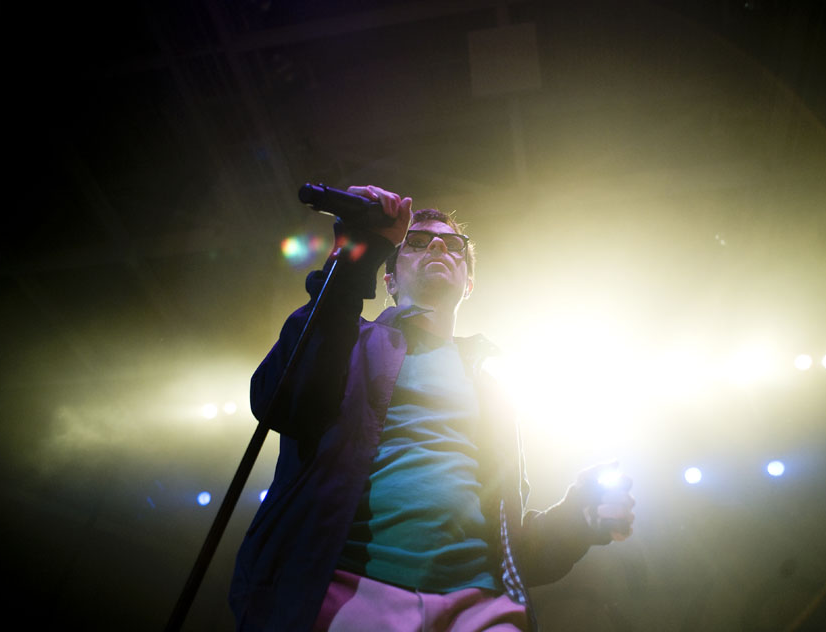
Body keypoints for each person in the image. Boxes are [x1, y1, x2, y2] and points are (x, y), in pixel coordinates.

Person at [229, 185, 635, 631]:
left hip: (481, 608)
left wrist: (578, 517)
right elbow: (278, 401)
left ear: (470, 282)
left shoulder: (492, 383)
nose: (438, 244)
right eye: (417, 242)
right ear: (388, 279)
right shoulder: (345, 339)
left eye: (451, 243)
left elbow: (510, 543)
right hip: (350, 594)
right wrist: (354, 257)